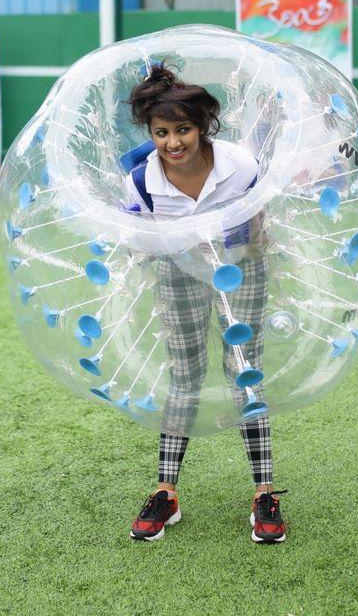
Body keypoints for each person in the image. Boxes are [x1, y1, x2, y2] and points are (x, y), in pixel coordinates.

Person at [123, 64, 286, 545]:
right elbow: (139, 242)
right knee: (185, 376)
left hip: (241, 271)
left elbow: (261, 225)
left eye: (183, 129)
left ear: (203, 126)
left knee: (245, 372)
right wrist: (171, 247)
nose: (173, 143)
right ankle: (165, 492)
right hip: (176, 275)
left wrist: (250, 247)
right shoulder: (140, 181)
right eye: (161, 132)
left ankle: (265, 494)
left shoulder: (240, 165)